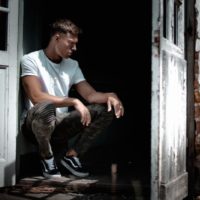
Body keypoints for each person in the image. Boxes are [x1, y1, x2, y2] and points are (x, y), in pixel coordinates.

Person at [20, 18, 124, 179]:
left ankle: (72, 156)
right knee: (45, 106)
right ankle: (47, 158)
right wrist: (73, 101)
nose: (74, 48)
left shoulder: (72, 65)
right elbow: (35, 96)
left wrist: (111, 95)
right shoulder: (31, 59)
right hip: (34, 125)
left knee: (105, 109)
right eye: (70, 43)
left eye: (76, 43)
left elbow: (90, 95)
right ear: (57, 38)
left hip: (60, 124)